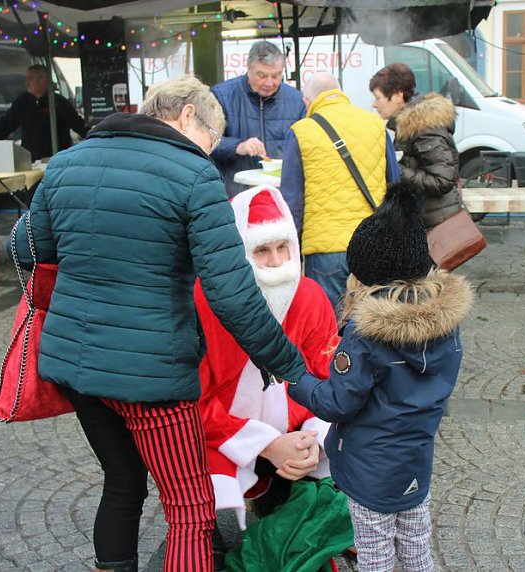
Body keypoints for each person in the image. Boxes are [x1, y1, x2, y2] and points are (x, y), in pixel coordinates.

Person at [9, 75, 307, 572]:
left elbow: (25, 249)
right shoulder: (194, 174)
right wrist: (290, 366)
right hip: (152, 375)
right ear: (188, 115)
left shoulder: (65, 164)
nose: (208, 151)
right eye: (211, 139)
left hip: (75, 364)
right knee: (190, 509)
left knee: (122, 483)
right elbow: (232, 294)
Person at [287, 181, 474, 572]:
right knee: (416, 550)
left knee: (375, 556)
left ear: (366, 274)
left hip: (369, 470)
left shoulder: (366, 335)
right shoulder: (447, 325)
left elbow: (337, 403)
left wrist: (295, 379)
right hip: (415, 463)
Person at [195, 186, 337, 532]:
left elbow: (329, 379)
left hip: (297, 431)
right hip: (225, 432)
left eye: (282, 247)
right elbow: (191, 402)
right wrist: (266, 444)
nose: (276, 262)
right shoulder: (201, 303)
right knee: (205, 483)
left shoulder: (311, 296)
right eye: (261, 250)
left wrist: (311, 439)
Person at [279, 72, 400, 312]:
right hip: (372, 242)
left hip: (325, 250)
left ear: (307, 101)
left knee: (330, 324)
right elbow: (394, 184)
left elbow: (293, 202)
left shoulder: (301, 131)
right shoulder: (375, 124)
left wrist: (292, 252)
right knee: (374, 322)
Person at [369, 63, 462, 228]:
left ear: (397, 95)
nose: (374, 105)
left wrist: (396, 169)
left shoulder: (424, 127)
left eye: (378, 98)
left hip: (437, 225)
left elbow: (442, 180)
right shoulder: (410, 126)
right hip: (427, 220)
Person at [210, 41, 306, 197]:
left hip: (284, 195)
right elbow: (205, 141)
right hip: (236, 193)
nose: (269, 82)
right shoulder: (222, 96)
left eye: (276, 76)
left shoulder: (296, 100)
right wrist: (238, 146)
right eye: (262, 75)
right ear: (249, 69)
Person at [0, 64, 88, 161]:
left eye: (30, 79)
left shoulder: (58, 102)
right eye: (26, 79)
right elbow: (5, 125)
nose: (26, 83)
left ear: (42, 80)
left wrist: (94, 136)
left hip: (56, 159)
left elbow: (77, 124)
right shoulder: (22, 102)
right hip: (30, 161)